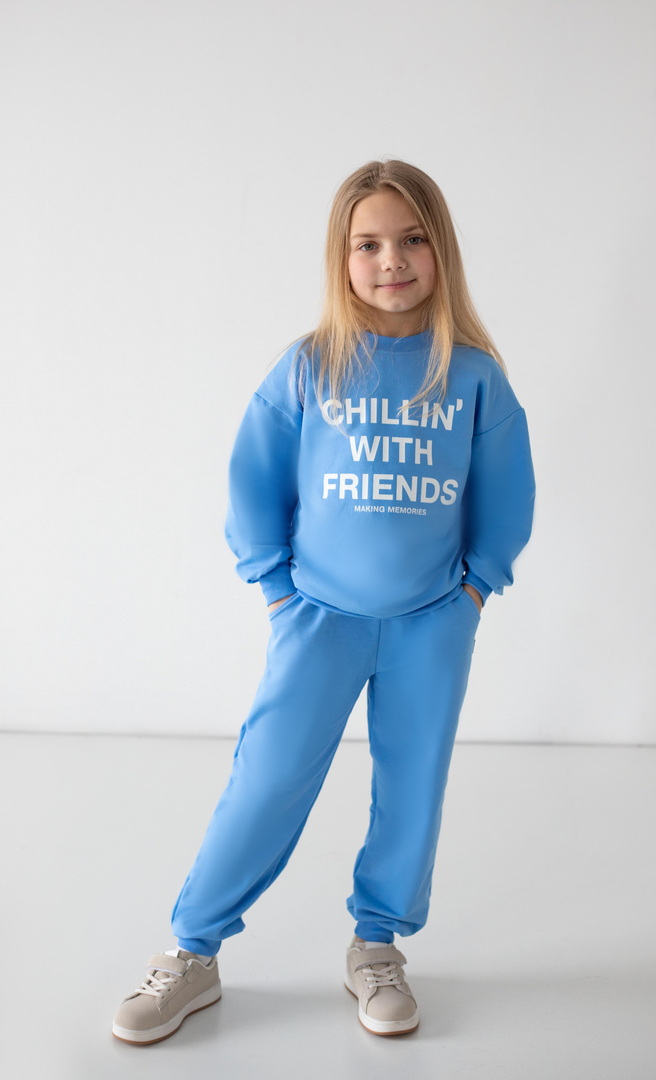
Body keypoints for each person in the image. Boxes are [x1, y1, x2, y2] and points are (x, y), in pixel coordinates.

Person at [112, 159, 535, 1045]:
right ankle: (192, 950)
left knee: (412, 784)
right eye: (368, 244)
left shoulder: (473, 377)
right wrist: (275, 588)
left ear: (441, 249)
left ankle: (377, 945)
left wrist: (473, 592)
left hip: (432, 622)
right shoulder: (309, 367)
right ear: (341, 258)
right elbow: (253, 483)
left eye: (412, 239)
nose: (392, 261)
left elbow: (505, 496)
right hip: (317, 617)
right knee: (267, 778)